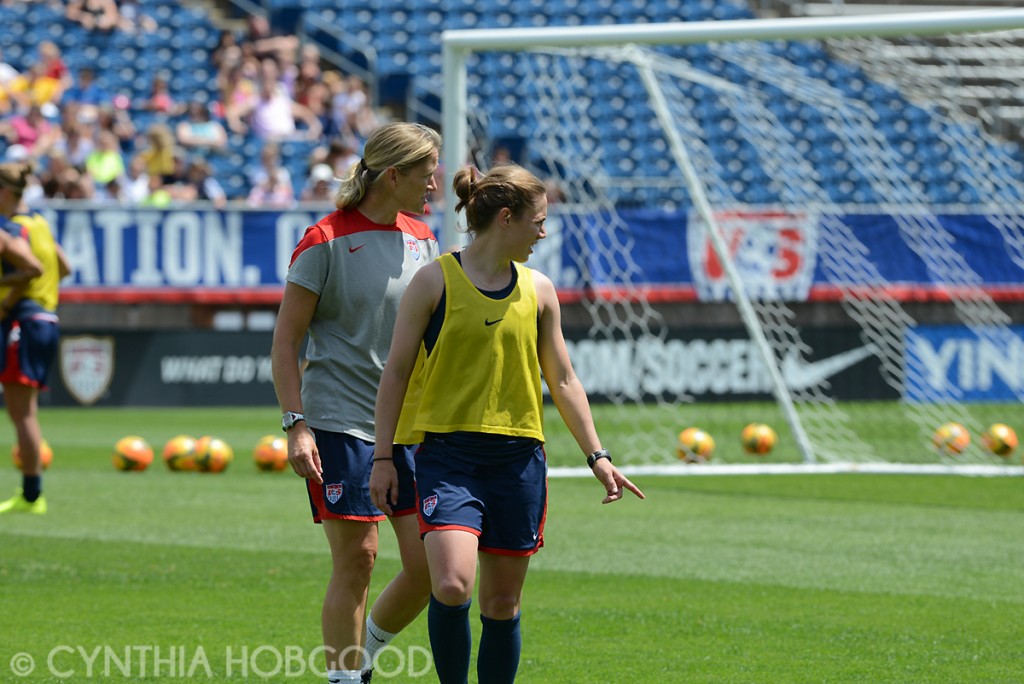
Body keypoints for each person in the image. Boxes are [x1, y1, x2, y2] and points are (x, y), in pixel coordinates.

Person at [372, 163, 645, 683]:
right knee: (451, 584)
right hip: (448, 458)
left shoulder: (540, 290)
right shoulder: (435, 281)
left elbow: (563, 380)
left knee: (501, 603)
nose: (544, 231)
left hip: (518, 463)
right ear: (505, 218)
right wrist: (384, 458)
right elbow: (397, 374)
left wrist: (598, 455)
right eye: (538, 221)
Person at [270, 122, 442, 684]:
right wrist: (296, 425)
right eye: (425, 174)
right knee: (359, 558)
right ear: (393, 176)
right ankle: (345, 679)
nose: (434, 186)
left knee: (428, 570)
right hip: (338, 423)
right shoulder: (323, 241)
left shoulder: (424, 236)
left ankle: (360, 660)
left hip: (409, 428)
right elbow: (285, 341)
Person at [0, 161, 71, 515]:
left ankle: (32, 494)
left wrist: (7, 300)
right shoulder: (40, 224)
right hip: (48, 317)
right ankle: (31, 492)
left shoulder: (14, 230)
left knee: (22, 413)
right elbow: (65, 266)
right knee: (25, 411)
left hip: (24, 320)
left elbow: (31, 270)